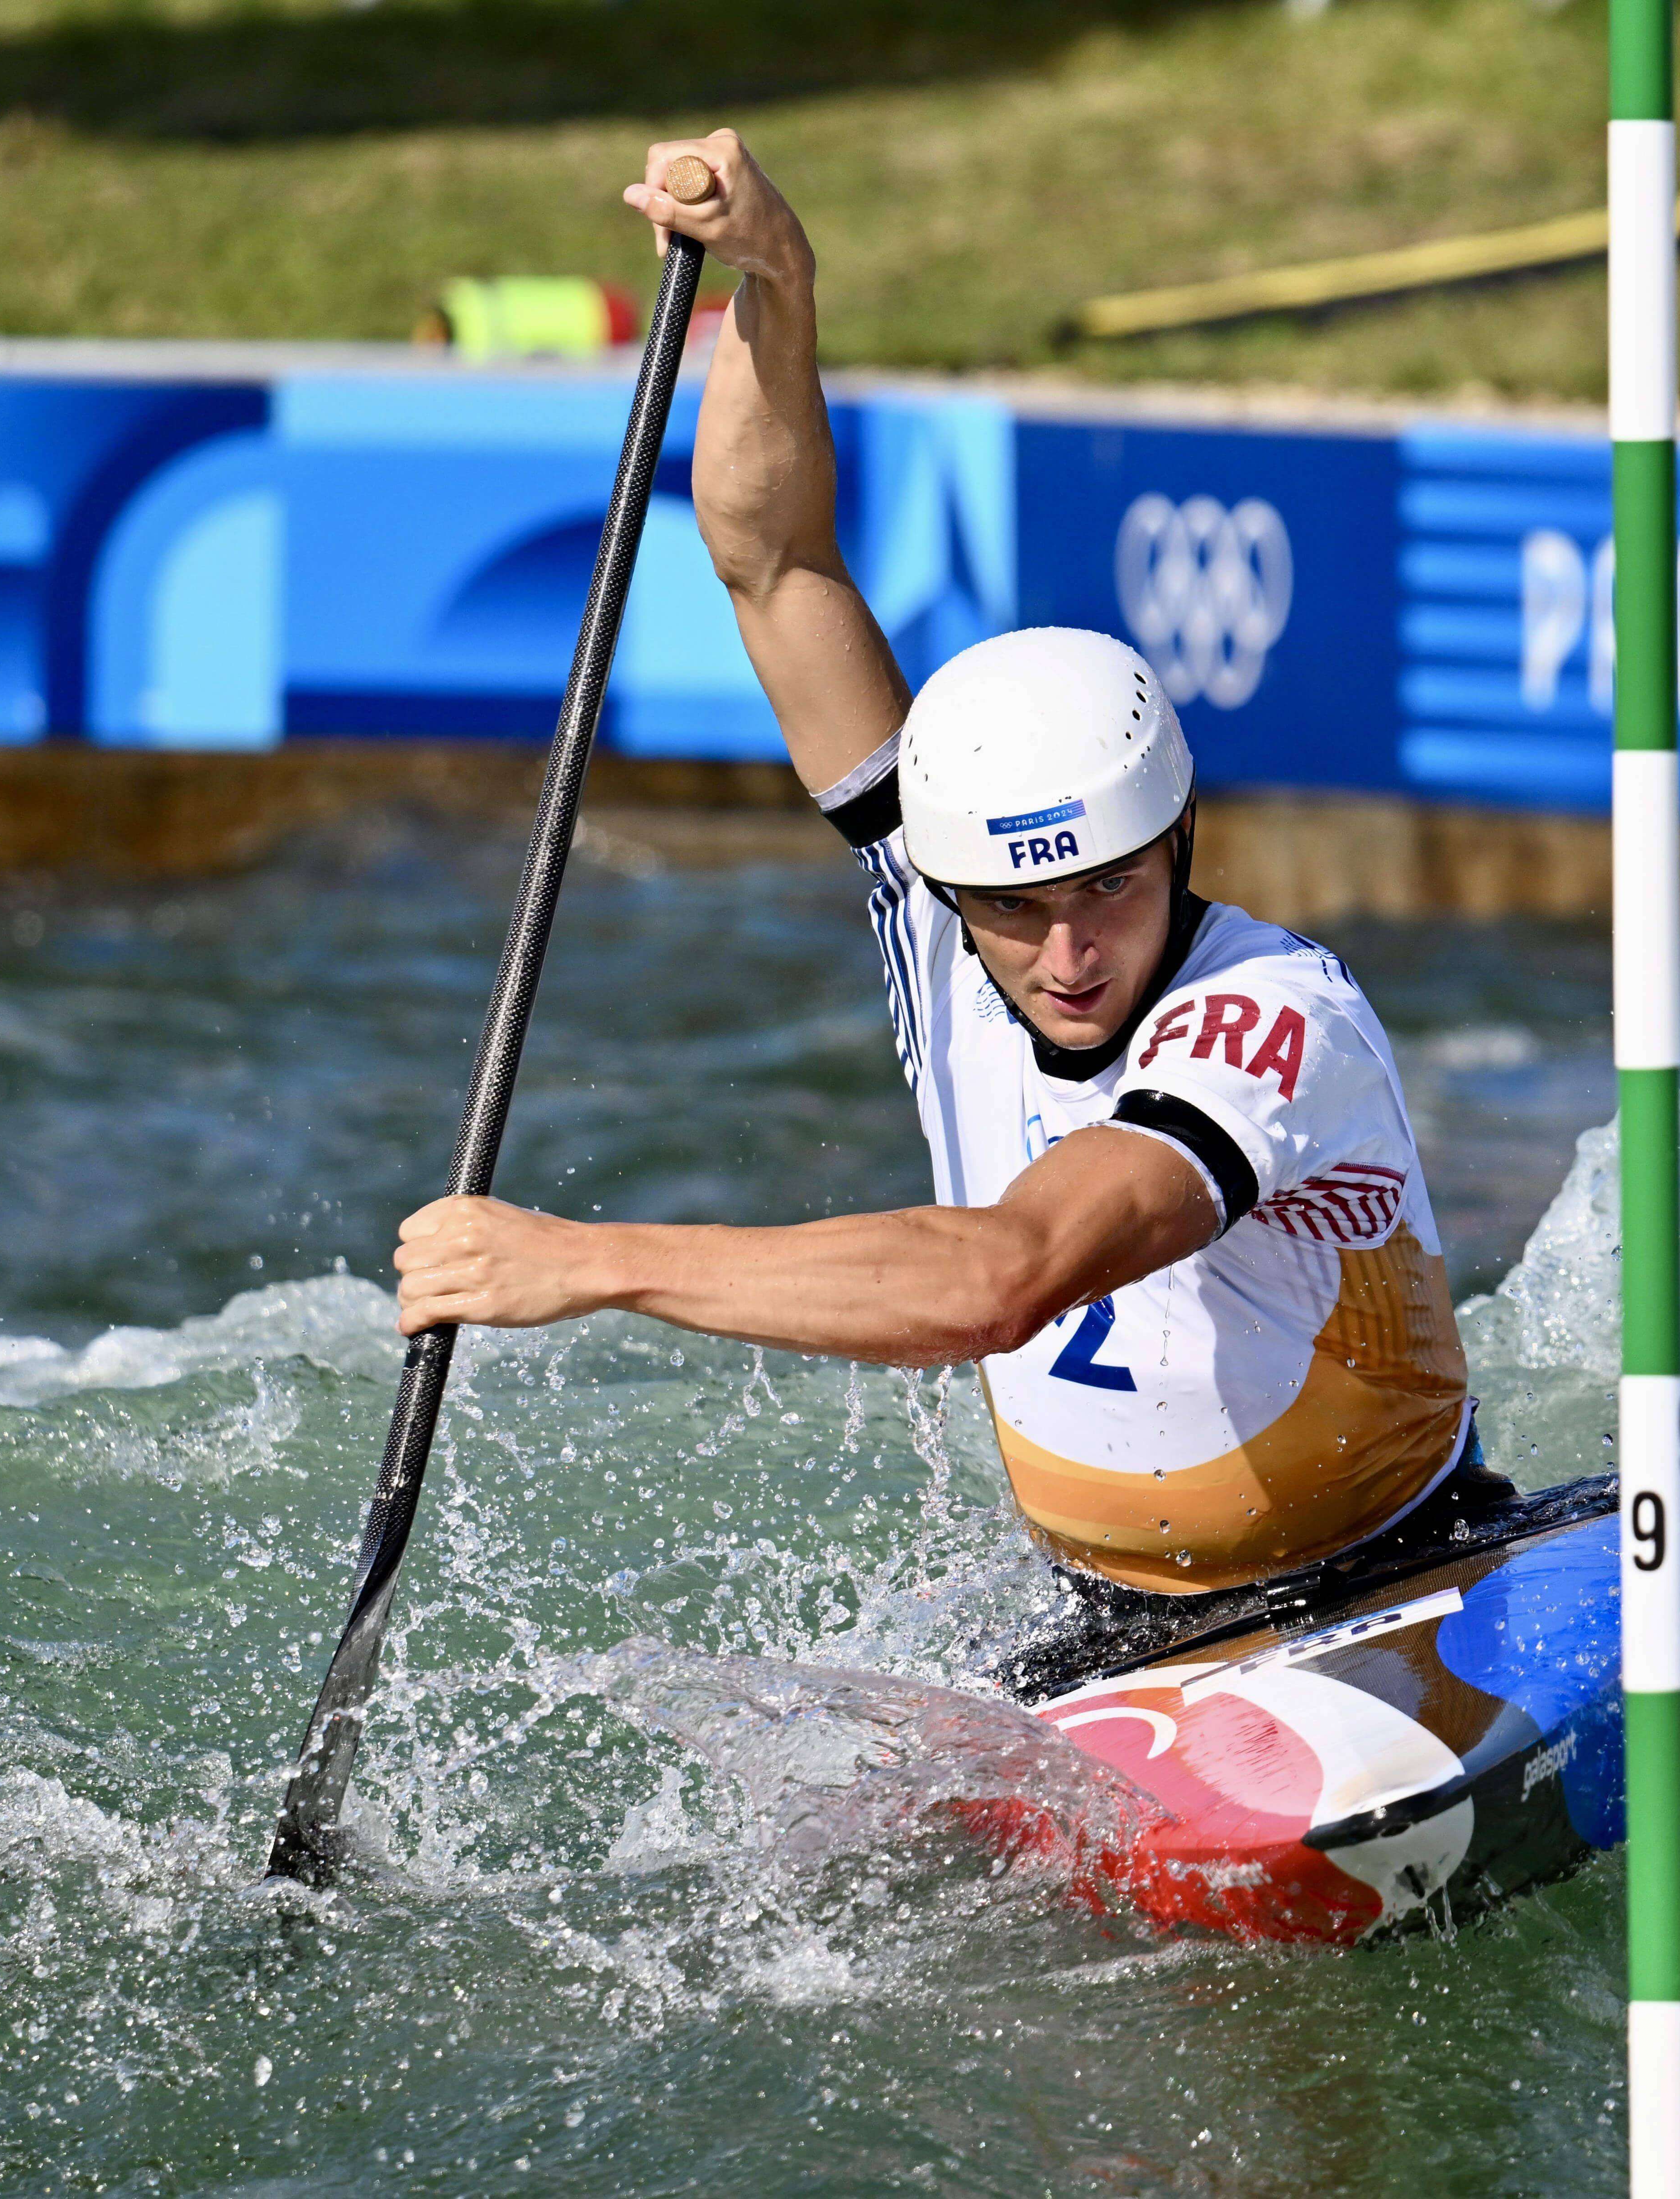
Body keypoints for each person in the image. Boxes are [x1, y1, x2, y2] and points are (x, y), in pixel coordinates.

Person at [390, 130, 1507, 1681]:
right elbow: (772, 563)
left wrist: (588, 1260)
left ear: (1182, 842)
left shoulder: (1271, 1024)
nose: (1062, 955)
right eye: (1004, 906)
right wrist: (780, 281)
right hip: (1107, 1629)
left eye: (1108, 889)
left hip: (1383, 1579)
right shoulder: (935, 900)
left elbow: (1003, 1277)